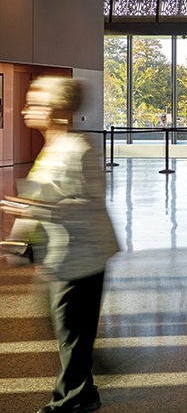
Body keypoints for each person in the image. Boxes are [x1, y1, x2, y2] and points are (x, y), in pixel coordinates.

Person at [1, 77, 119, 413]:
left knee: (71, 330)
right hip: (63, 255)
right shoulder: (55, 145)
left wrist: (34, 209)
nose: (27, 107)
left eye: (35, 101)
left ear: (58, 109)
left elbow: (90, 201)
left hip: (83, 256)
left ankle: (70, 400)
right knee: (67, 327)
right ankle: (88, 385)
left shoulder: (76, 148)